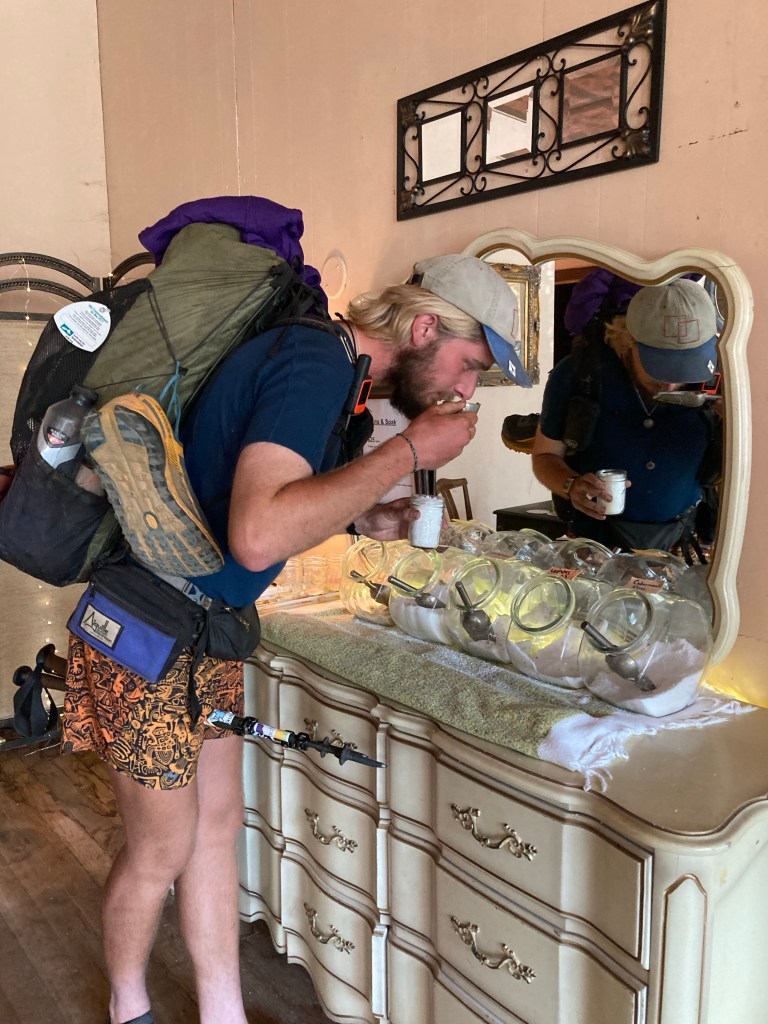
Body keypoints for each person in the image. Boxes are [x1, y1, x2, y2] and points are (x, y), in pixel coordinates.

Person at [61, 246, 531, 1024]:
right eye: (471, 364)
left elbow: (261, 498)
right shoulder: (314, 362)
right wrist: (409, 452)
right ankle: (128, 1007)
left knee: (216, 830)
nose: (466, 388)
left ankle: (223, 1012)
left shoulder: (338, 374)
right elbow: (256, 537)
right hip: (145, 628)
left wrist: (361, 516)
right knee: (160, 850)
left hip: (207, 627)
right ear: (424, 328)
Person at [532, 277, 722, 552]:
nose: (671, 384)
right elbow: (544, 456)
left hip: (682, 545)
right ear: (627, 339)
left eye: (683, 368)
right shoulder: (579, 373)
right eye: (659, 366)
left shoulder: (722, 382)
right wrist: (570, 485)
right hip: (595, 546)